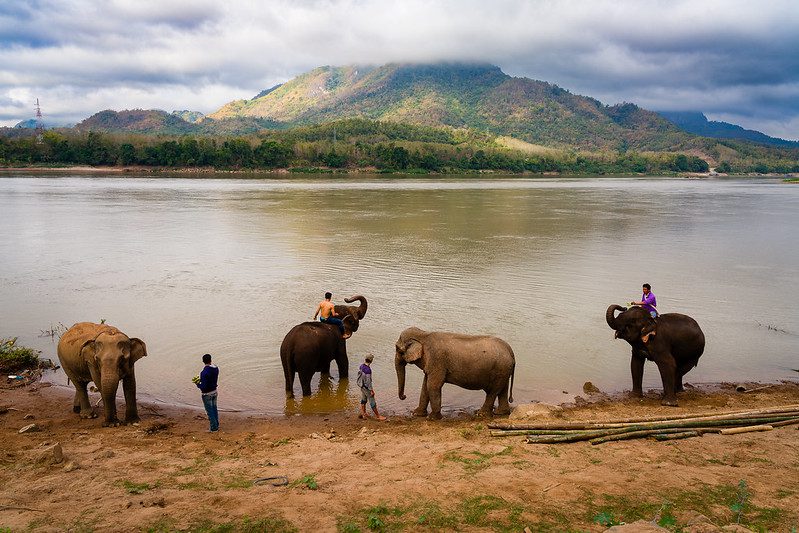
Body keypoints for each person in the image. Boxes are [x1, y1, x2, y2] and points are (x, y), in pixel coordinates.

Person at [356, 355, 386, 421]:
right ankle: (378, 416)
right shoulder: (368, 370)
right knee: (372, 401)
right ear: (371, 361)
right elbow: (368, 382)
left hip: (362, 386)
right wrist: (371, 390)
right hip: (366, 388)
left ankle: (364, 413)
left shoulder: (361, 366)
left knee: (363, 400)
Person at [195, 353, 219, 432]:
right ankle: (216, 425)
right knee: (214, 409)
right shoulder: (216, 369)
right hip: (214, 391)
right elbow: (210, 379)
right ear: (211, 360)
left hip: (207, 394)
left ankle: (214, 428)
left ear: (203, 361)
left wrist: (198, 384)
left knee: (209, 411)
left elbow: (204, 387)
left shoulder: (204, 372)